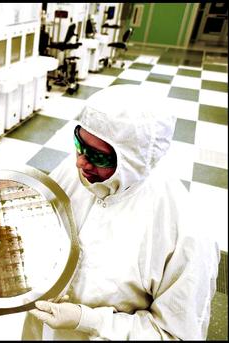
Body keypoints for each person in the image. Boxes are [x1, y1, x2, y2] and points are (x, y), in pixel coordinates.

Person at [22, 84, 220, 340]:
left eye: (99, 157)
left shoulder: (185, 233)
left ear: (133, 160)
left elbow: (174, 334)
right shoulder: (75, 175)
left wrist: (88, 321)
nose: (81, 161)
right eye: (79, 143)